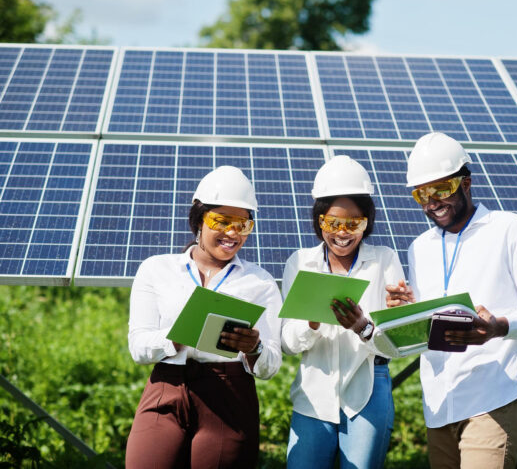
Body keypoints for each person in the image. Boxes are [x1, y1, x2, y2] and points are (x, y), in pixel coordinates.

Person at [385, 132, 517, 469]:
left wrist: (499, 327)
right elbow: (428, 324)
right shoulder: (419, 248)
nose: (431, 202)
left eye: (440, 190)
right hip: (438, 403)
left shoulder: (512, 229)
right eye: (422, 194)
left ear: (466, 183)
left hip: (492, 395)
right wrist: (406, 311)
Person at [125, 165, 282, 469]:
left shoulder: (260, 283)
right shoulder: (157, 269)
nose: (232, 233)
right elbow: (138, 346)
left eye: (243, 224)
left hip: (230, 395)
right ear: (199, 220)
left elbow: (270, 366)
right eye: (221, 221)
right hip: (165, 388)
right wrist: (175, 337)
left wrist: (255, 348)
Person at [281, 155, 405, 469]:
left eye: (354, 224)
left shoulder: (384, 260)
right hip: (314, 390)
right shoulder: (300, 262)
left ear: (368, 222)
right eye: (333, 223)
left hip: (369, 385)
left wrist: (367, 326)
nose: (343, 233)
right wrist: (310, 322)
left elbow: (396, 345)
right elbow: (287, 344)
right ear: (319, 219)